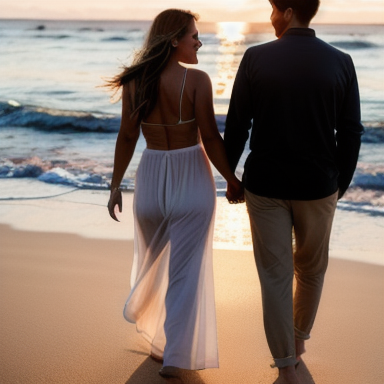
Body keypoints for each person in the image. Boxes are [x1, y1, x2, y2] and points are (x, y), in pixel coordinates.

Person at [224, 1, 364, 383]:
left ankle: (286, 366)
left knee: (274, 275)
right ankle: (298, 344)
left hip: (266, 184)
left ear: (286, 11)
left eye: (273, 9)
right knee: (312, 270)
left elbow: (237, 125)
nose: (270, 17)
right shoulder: (341, 61)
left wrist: (230, 177)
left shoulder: (255, 58)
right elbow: (351, 132)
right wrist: (340, 185)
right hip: (319, 186)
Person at [106, 9, 243, 379]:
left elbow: (127, 137)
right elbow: (211, 138)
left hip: (150, 180)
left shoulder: (134, 82)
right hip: (191, 178)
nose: (200, 42)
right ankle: (175, 356)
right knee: (184, 274)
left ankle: (157, 336)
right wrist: (231, 178)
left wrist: (116, 185)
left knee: (155, 266)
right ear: (173, 40)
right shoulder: (196, 80)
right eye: (194, 36)